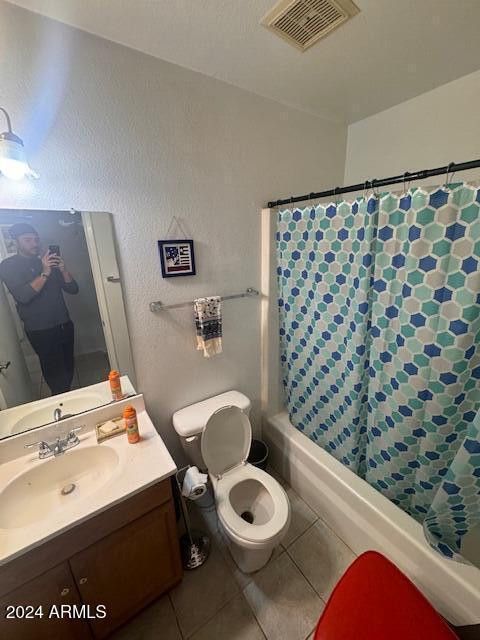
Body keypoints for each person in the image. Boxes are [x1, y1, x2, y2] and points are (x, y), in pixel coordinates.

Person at [0, 223, 79, 395]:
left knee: (68, 368)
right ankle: (62, 404)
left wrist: (64, 270)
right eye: (27, 240)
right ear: (16, 242)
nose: (34, 243)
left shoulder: (45, 262)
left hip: (64, 324)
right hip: (41, 330)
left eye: (36, 239)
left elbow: (73, 289)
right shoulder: (8, 265)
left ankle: (67, 397)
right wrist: (45, 272)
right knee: (55, 374)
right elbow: (23, 296)